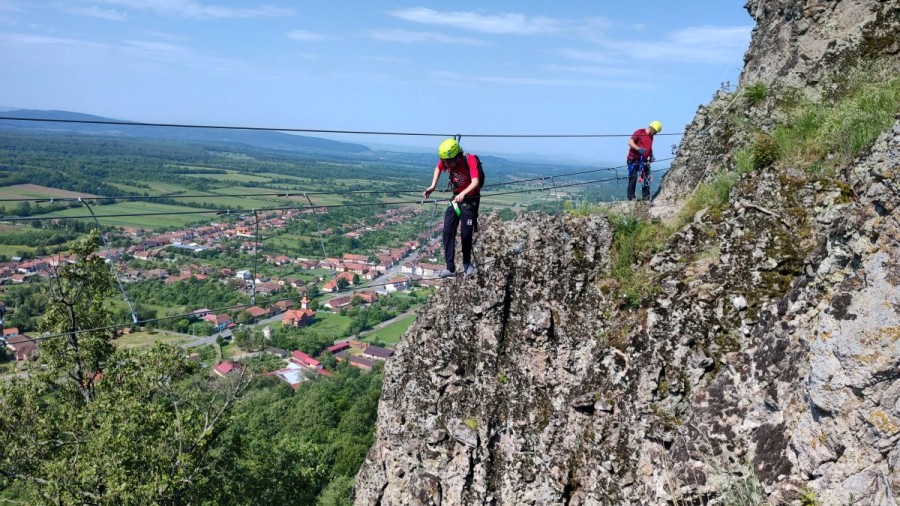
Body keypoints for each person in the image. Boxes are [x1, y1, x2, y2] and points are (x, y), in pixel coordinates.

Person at [423, 138, 481, 278]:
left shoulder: (470, 159)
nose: (446, 165)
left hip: (470, 199)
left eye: (449, 162)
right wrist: (433, 186)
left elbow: (475, 182)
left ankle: (467, 264)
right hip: (456, 199)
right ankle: (450, 268)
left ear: (457, 157)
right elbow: (438, 168)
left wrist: (463, 193)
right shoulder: (447, 160)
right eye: (445, 161)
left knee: (466, 233)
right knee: (447, 231)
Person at [626, 120, 661, 201]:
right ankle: (631, 199)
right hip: (633, 159)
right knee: (633, 178)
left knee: (647, 178)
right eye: (655, 132)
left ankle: (646, 198)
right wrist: (638, 149)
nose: (655, 134)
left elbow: (649, 147)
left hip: (644, 161)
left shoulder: (651, 136)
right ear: (652, 129)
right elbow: (630, 142)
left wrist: (651, 155)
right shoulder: (640, 132)